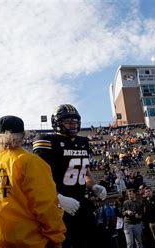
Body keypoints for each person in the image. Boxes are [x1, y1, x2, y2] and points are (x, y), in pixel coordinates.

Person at [0, 115, 65, 247]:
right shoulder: (30, 162)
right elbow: (46, 206)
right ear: (23, 136)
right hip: (21, 243)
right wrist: (57, 238)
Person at [33, 104, 107, 248]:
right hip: (58, 207)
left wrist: (93, 185)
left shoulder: (82, 142)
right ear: (56, 123)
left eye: (75, 121)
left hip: (80, 203)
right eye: (68, 121)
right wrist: (57, 198)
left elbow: (85, 171)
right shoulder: (47, 140)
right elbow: (38, 177)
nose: (73, 125)